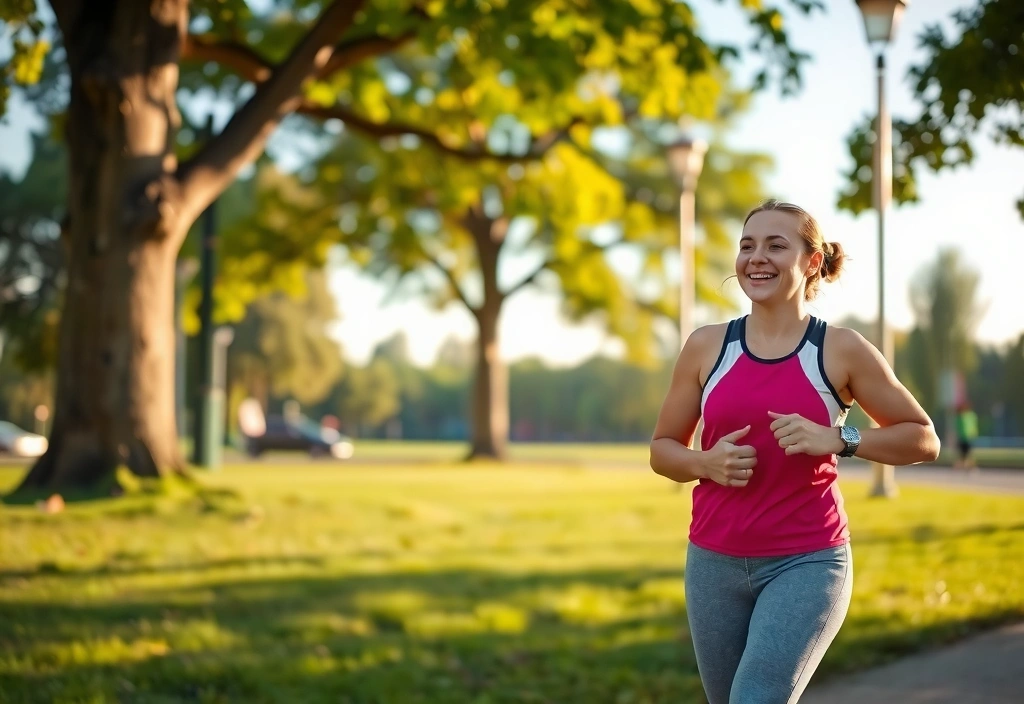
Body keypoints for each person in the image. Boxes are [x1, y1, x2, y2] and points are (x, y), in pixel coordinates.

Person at [650, 199, 940, 704]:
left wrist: (842, 439)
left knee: (755, 697)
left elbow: (923, 437)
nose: (755, 257)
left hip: (807, 562)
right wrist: (704, 462)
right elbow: (662, 449)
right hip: (712, 562)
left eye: (775, 245)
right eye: (747, 245)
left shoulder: (840, 349)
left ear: (811, 261)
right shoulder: (705, 347)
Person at [955, 403, 979, 472]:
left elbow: (972, 426)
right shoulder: (960, 417)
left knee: (967, 454)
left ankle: (968, 467)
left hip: (968, 438)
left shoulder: (969, 416)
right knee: (964, 455)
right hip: (963, 438)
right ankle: (963, 467)